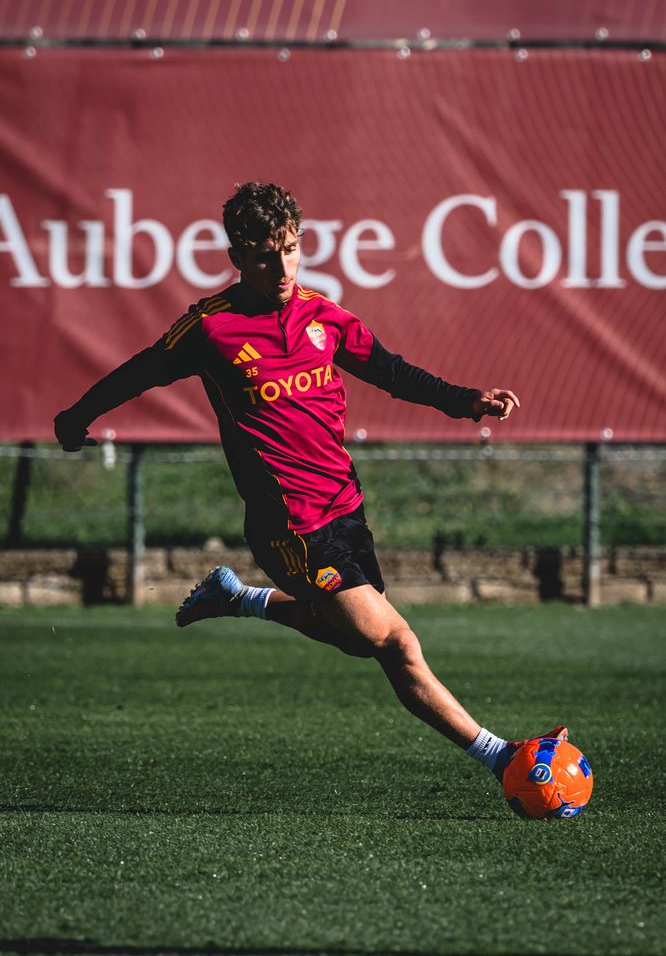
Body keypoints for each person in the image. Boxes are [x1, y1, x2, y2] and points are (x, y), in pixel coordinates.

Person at [55, 182, 566, 794]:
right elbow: (140, 369)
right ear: (238, 257)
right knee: (396, 642)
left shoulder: (323, 314)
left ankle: (239, 598)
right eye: (268, 255)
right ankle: (504, 756)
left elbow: (391, 371)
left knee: (359, 641)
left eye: (292, 249)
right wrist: (77, 417)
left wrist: (469, 402)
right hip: (289, 526)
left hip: (346, 510)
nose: (283, 266)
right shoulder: (210, 329)